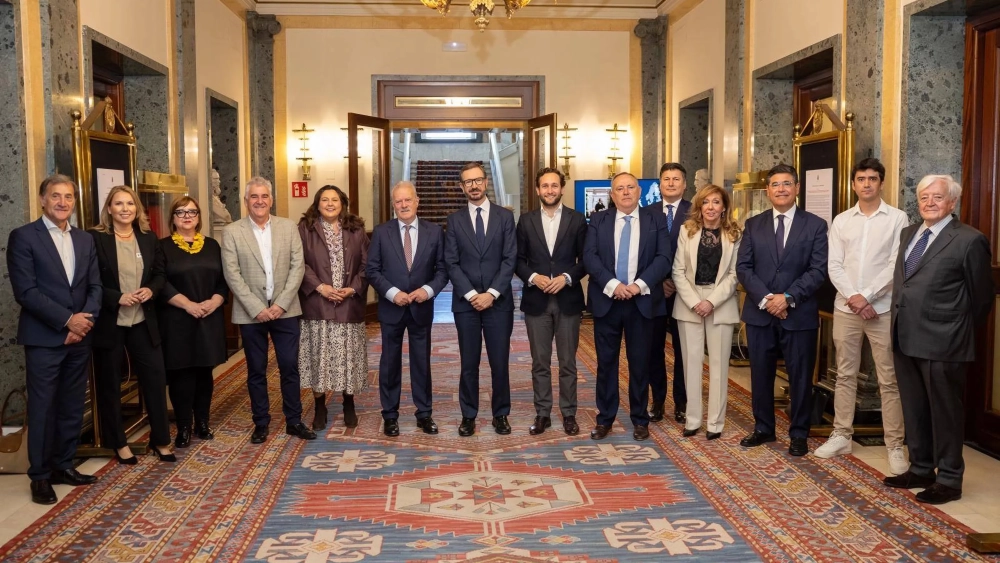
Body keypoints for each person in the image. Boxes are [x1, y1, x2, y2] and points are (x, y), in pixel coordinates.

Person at [884, 174, 993, 505]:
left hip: (945, 342)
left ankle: (948, 478)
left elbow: (981, 298)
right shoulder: (908, 234)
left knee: (945, 412)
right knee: (915, 408)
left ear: (952, 202)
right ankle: (920, 468)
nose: (929, 203)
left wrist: (955, 331)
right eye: (924, 197)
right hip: (905, 336)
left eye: (938, 197)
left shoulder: (970, 240)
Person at [7, 174, 102, 504]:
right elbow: (26, 292)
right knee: (43, 407)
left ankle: (64, 465)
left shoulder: (85, 239)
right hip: (45, 338)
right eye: (56, 196)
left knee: (72, 404)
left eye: (69, 196)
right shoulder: (24, 237)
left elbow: (95, 287)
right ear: (43, 200)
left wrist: (83, 323)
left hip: (80, 336)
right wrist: (67, 321)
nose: (63, 202)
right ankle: (40, 476)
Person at [814, 158, 909, 474]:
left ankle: (895, 445)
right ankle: (841, 434)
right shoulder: (842, 220)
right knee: (844, 374)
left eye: (872, 178)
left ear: (881, 182)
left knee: (888, 379)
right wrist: (855, 299)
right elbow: (834, 265)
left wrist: (866, 296)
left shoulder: (897, 219)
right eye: (861, 179)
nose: (867, 184)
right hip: (846, 309)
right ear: (853, 184)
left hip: (882, 309)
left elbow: (895, 265)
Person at [736, 163, 828, 457]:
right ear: (768, 191)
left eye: (787, 183)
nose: (781, 189)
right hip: (760, 313)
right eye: (775, 184)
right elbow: (744, 268)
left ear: (797, 188)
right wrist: (767, 299)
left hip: (798, 314)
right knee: (760, 374)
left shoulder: (815, 225)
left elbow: (818, 270)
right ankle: (763, 428)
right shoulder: (754, 224)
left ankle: (799, 433)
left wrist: (787, 297)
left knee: (800, 376)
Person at [221, 177, 316, 444]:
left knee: (289, 366)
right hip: (250, 313)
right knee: (256, 369)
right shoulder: (232, 231)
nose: (259, 201)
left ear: (271, 200)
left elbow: (298, 267)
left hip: (285, 310)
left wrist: (280, 304)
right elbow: (232, 274)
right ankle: (261, 422)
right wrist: (257, 308)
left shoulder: (288, 227)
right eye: (254, 196)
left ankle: (294, 421)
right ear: (246, 201)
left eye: (264, 196)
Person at [584, 172, 672, 442]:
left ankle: (640, 419)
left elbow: (664, 257)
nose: (625, 192)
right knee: (606, 364)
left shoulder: (655, 219)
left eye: (630, 187)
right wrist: (613, 285)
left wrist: (638, 285)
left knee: (640, 364)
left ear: (639, 191)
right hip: (607, 302)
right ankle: (605, 419)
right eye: (619, 188)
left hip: (641, 302)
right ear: (612, 194)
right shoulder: (598, 220)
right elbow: (589, 256)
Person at [89, 186, 174, 463]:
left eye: (130, 204)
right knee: (110, 384)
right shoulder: (95, 238)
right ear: (109, 208)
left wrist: (151, 289)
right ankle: (118, 442)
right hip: (111, 321)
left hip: (143, 320)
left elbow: (160, 274)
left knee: (155, 379)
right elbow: (90, 281)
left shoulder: (148, 238)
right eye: (118, 204)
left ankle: (161, 440)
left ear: (137, 209)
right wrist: (117, 297)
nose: (125, 209)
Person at [367, 181, 449, 436]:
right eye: (398, 201)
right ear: (393, 205)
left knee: (421, 362)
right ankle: (390, 415)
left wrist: (428, 290)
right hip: (392, 308)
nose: (403, 205)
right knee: (389, 363)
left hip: (421, 307)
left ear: (417, 201)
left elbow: (443, 270)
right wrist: (393, 293)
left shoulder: (434, 232)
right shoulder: (381, 232)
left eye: (407, 200)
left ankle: (424, 413)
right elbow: (372, 270)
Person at [445, 162, 517, 437]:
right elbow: (451, 262)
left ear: (486, 182)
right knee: (468, 363)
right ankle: (468, 415)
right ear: (462, 187)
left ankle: (501, 414)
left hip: (499, 302)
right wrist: (473, 295)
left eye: (477, 180)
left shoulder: (505, 217)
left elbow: (510, 258)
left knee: (500, 362)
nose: (473, 186)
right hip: (466, 304)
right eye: (468, 182)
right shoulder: (454, 220)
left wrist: (492, 293)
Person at [515, 167, 587, 436]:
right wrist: (534, 277)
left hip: (568, 299)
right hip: (537, 301)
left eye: (554, 185)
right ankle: (542, 413)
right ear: (538, 190)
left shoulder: (577, 220)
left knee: (568, 362)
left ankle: (569, 414)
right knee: (540, 362)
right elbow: (517, 260)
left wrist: (567, 278)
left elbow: (586, 259)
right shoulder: (526, 221)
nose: (549, 190)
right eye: (544, 186)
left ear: (562, 188)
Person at [297, 185, 370, 431]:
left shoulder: (356, 229)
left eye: (335, 200)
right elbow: (299, 264)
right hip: (317, 304)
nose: (330, 204)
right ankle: (320, 406)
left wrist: (352, 289)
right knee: (319, 358)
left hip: (349, 304)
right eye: (325, 200)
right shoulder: (305, 229)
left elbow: (367, 265)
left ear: (343, 204)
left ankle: (349, 402)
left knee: (348, 357)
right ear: (317, 204)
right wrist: (321, 288)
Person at [158, 196, 228, 448]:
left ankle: (203, 423)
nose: (187, 216)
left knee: (204, 373)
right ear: (173, 218)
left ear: (198, 217)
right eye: (181, 212)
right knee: (181, 375)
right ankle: (184, 427)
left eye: (192, 212)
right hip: (177, 319)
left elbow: (223, 280)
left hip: (209, 317)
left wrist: (215, 301)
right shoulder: (162, 247)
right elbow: (160, 282)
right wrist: (188, 305)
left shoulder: (212, 245)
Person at [672, 184, 742, 440]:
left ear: (724, 207)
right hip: (689, 302)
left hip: (720, 302)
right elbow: (678, 271)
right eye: (706, 202)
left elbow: (734, 274)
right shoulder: (687, 230)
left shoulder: (734, 233)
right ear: (699, 206)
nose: (711, 207)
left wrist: (711, 301)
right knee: (691, 363)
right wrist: (695, 302)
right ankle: (693, 419)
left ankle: (715, 422)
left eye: (716, 202)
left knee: (719, 366)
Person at [649, 162, 692, 424]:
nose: (671, 183)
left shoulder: (695, 212)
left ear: (685, 185)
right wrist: (660, 280)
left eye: (676, 179)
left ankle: (682, 402)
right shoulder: (647, 212)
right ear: (660, 184)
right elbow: (643, 253)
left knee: (682, 350)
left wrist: (676, 281)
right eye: (666, 179)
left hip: (685, 293)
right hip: (654, 291)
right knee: (653, 349)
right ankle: (658, 400)